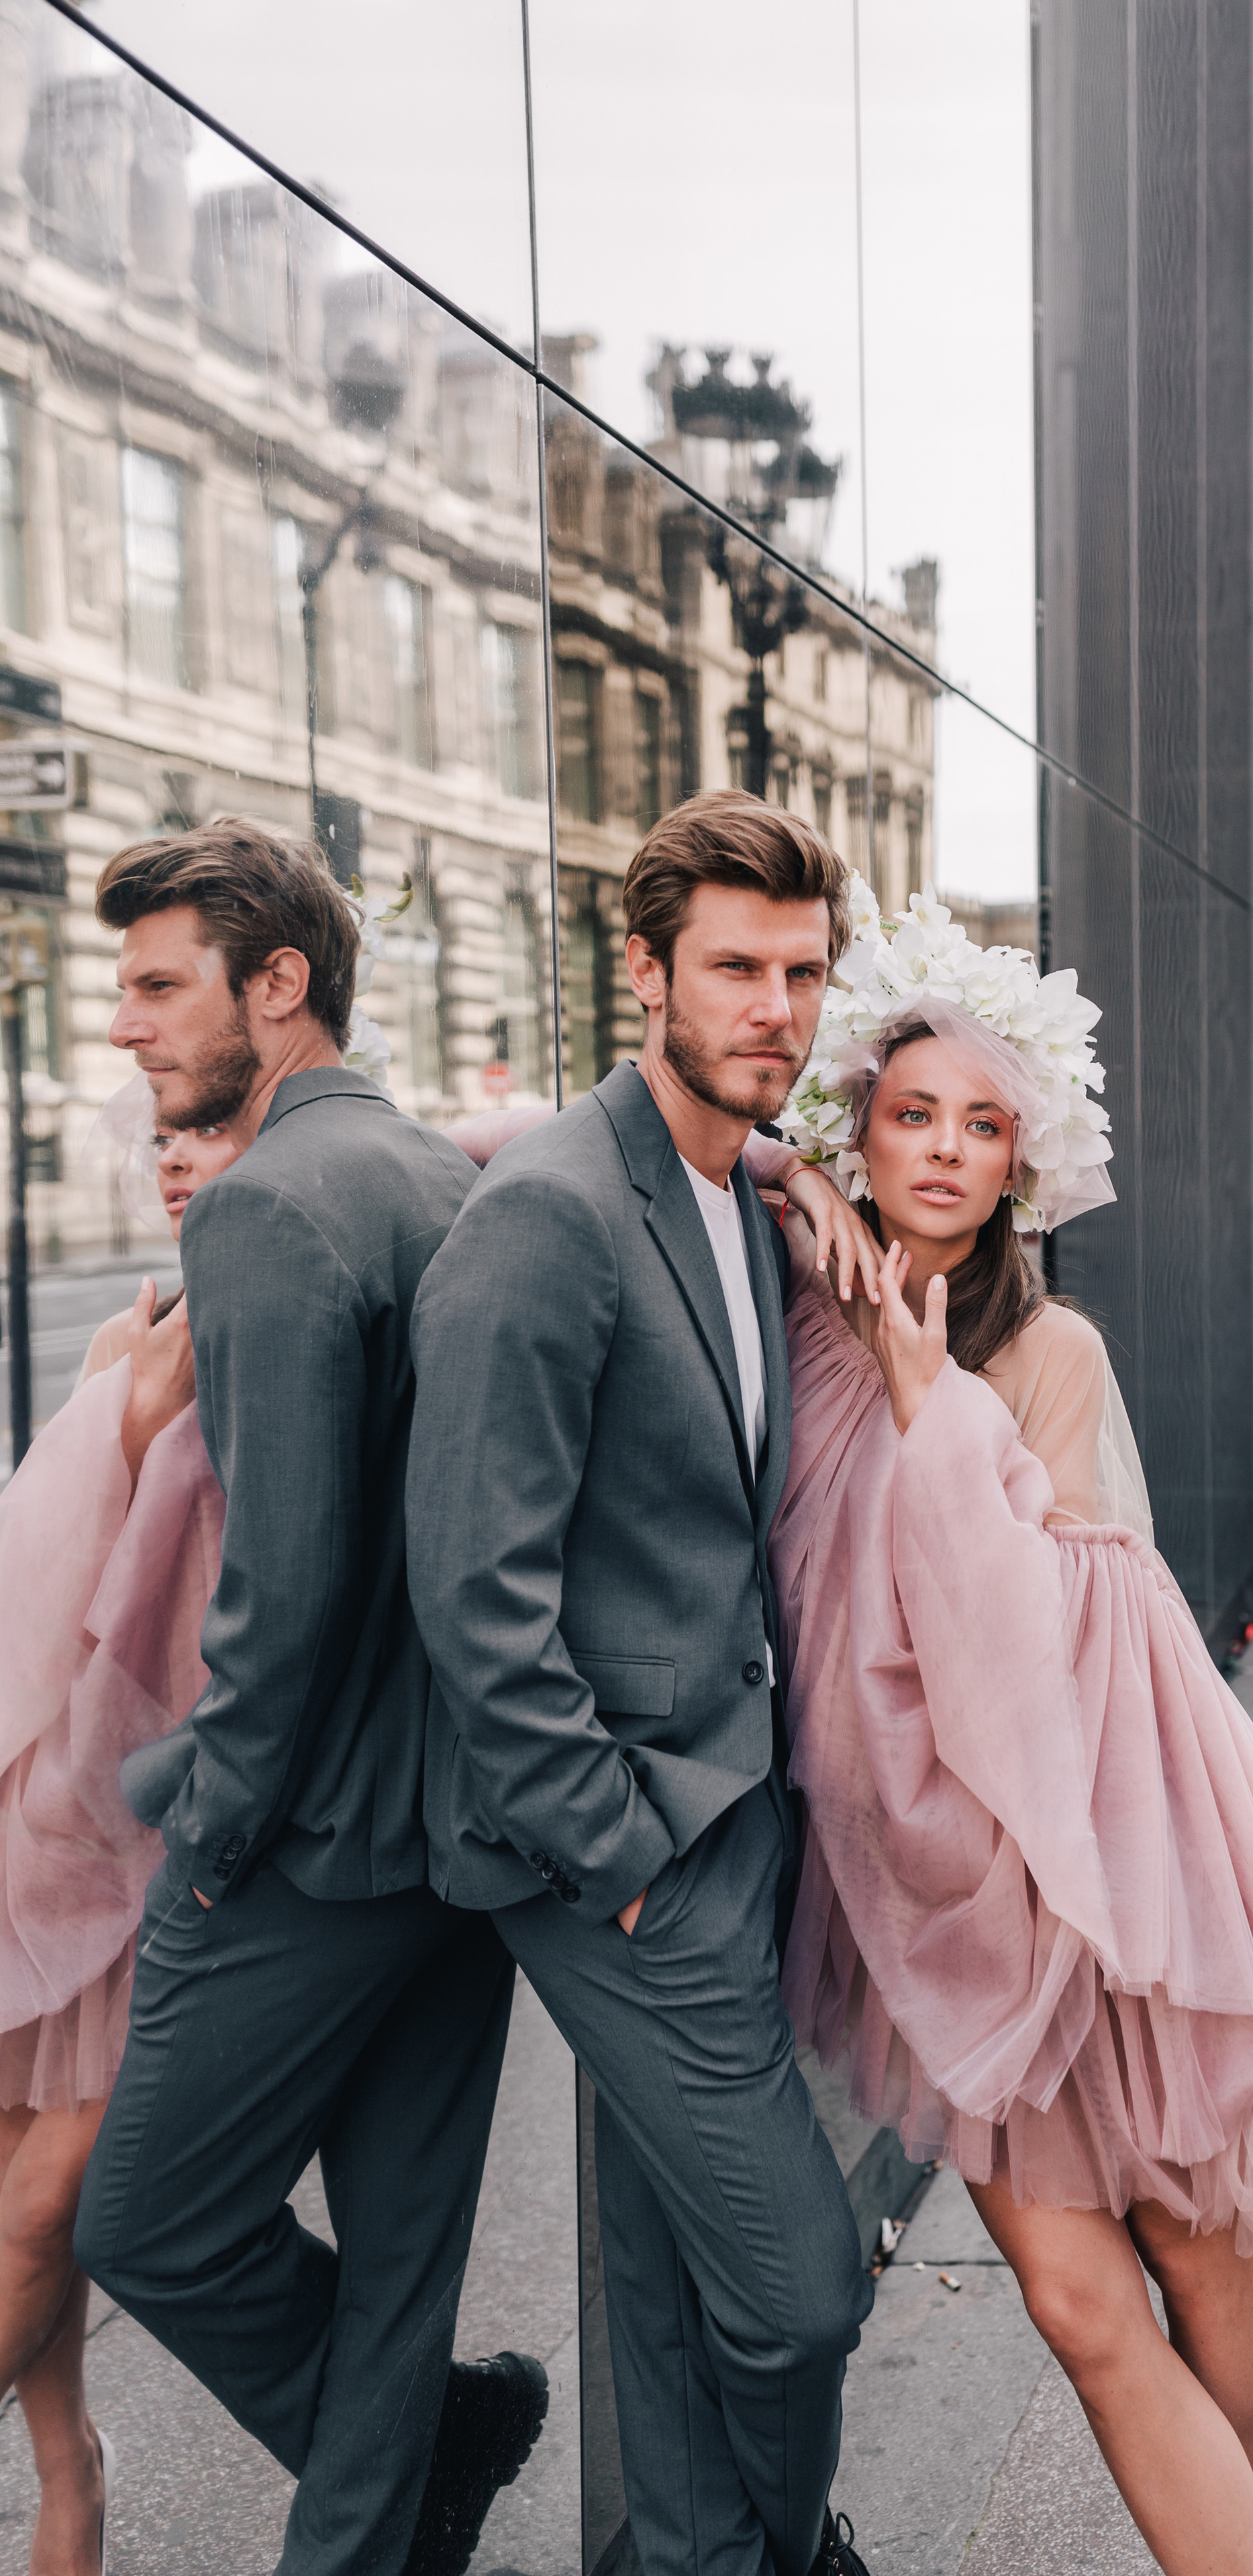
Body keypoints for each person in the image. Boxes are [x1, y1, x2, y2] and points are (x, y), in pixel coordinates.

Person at [741, 884, 1253, 2576]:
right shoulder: (789, 1313)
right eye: (906, 1117)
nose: (945, 1152)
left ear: (1020, 1163)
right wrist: (785, 1173)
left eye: (982, 1125)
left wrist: (920, 1384)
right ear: (855, 1132)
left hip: (1104, 1879)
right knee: (1073, 2296)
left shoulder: (1045, 1353)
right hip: (936, 1899)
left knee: (1190, 2257)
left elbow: (1042, 1655)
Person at [406, 790, 876, 2576]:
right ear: (645, 969)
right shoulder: (548, 1218)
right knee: (804, 2285)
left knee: (681, 2269)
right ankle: (792, 2542)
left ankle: (691, 2553)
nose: (777, 1006)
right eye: (737, 967)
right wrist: (614, 1849)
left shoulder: (729, 1188)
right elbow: (472, 1588)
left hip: (729, 1802)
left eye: (802, 971)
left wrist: (792, 1169)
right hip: (621, 1849)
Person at [70, 818, 545, 2576]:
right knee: (404, 2256)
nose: (125, 1024)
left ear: (279, 985)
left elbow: (286, 1591)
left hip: (315, 1833)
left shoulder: (267, 1201)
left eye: (155, 983)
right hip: (469, 1830)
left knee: (153, 2218)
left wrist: (207, 1838)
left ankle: (445, 2427)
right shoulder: (443, 1170)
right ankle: (409, 2472)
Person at [0, 1108, 231, 2576]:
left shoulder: (282, 1319)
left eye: (209, 1127)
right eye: (161, 1133)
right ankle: (67, 2463)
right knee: (13, 2166)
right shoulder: (120, 1336)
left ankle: (74, 2480)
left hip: (165, 1832)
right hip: (40, 1822)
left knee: (46, 2199)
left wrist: (794, 1170)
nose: (173, 1153)